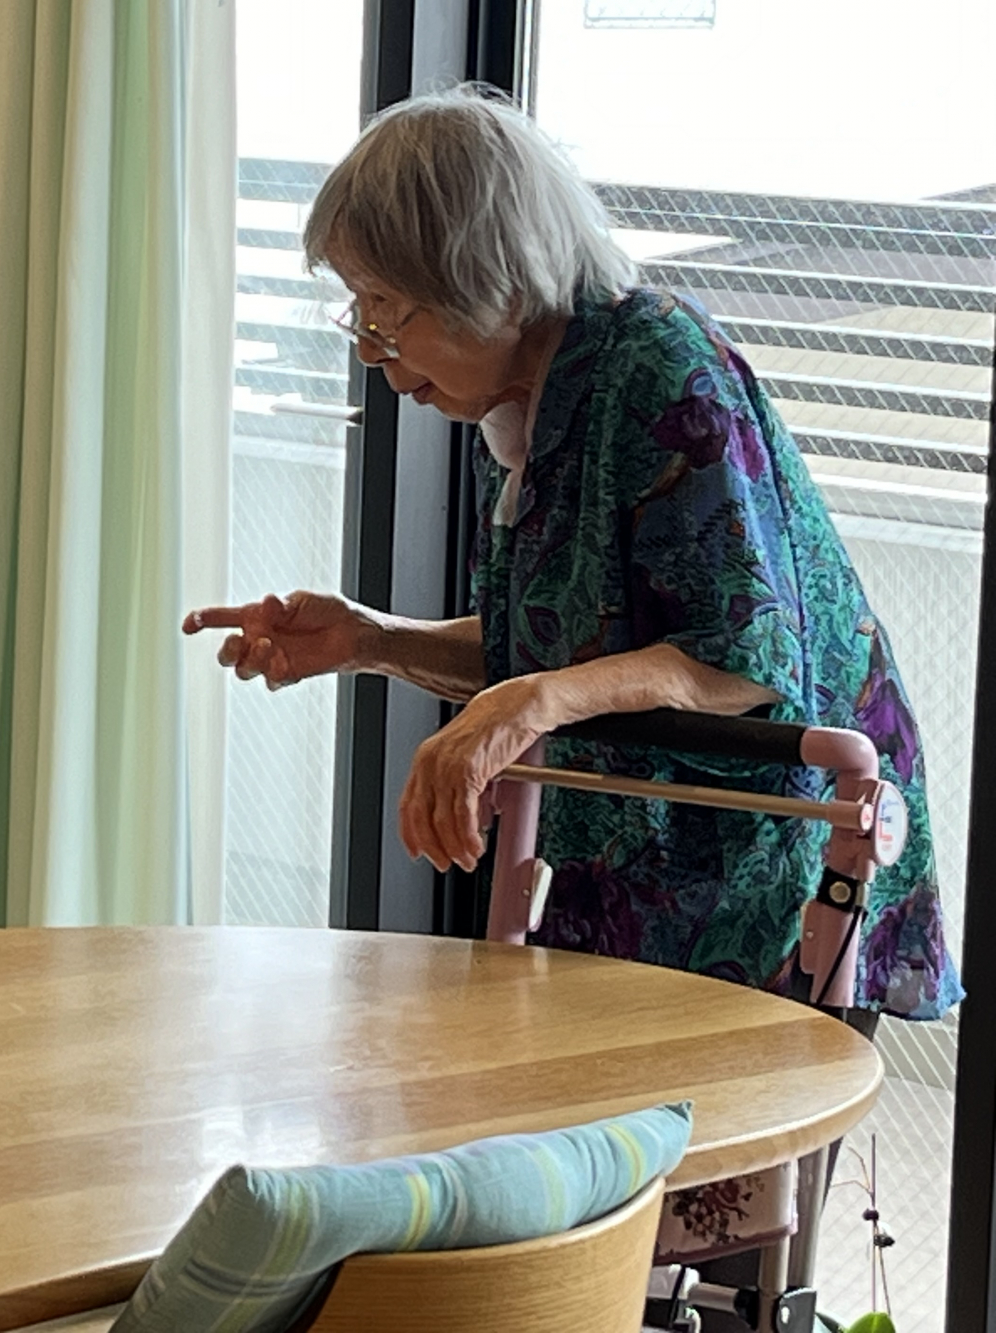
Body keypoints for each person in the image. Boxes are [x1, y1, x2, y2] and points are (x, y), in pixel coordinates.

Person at [185, 87, 959, 1024]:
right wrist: (372, 640)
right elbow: (559, 653)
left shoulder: (659, 365)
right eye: (360, 311)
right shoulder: (516, 413)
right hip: (640, 876)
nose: (372, 352)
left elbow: (741, 663)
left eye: (388, 308)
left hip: (778, 879)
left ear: (494, 278)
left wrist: (534, 700)